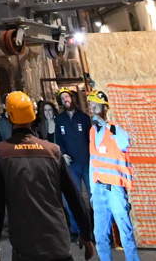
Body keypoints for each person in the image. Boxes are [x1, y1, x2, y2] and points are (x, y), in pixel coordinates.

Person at [0, 91, 95, 261]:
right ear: (33, 115)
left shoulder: (1, 152)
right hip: (58, 242)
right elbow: (74, 196)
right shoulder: (52, 150)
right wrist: (86, 236)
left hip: (26, 246)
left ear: (9, 117)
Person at [84, 89, 138, 261]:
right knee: (100, 236)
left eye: (96, 105)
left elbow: (125, 142)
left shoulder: (115, 130)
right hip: (99, 190)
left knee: (126, 234)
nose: (93, 109)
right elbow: (93, 162)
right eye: (91, 105)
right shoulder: (92, 132)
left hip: (115, 190)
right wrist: (92, 192)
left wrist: (106, 124)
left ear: (104, 108)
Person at [53, 89, 92, 240]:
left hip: (87, 163)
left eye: (67, 97)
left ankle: (93, 228)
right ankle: (77, 229)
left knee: (92, 197)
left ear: (72, 98)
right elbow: (59, 140)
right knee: (74, 198)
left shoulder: (83, 117)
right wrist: (63, 153)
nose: (65, 100)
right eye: (62, 99)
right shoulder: (60, 119)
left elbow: (90, 139)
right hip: (72, 165)